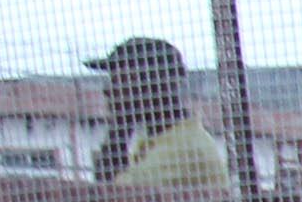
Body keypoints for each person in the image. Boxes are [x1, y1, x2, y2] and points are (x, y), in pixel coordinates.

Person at [86, 37, 233, 189]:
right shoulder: (162, 140)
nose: (108, 90)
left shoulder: (181, 150)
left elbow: (112, 196)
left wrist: (120, 126)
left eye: (119, 80)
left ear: (152, 85)